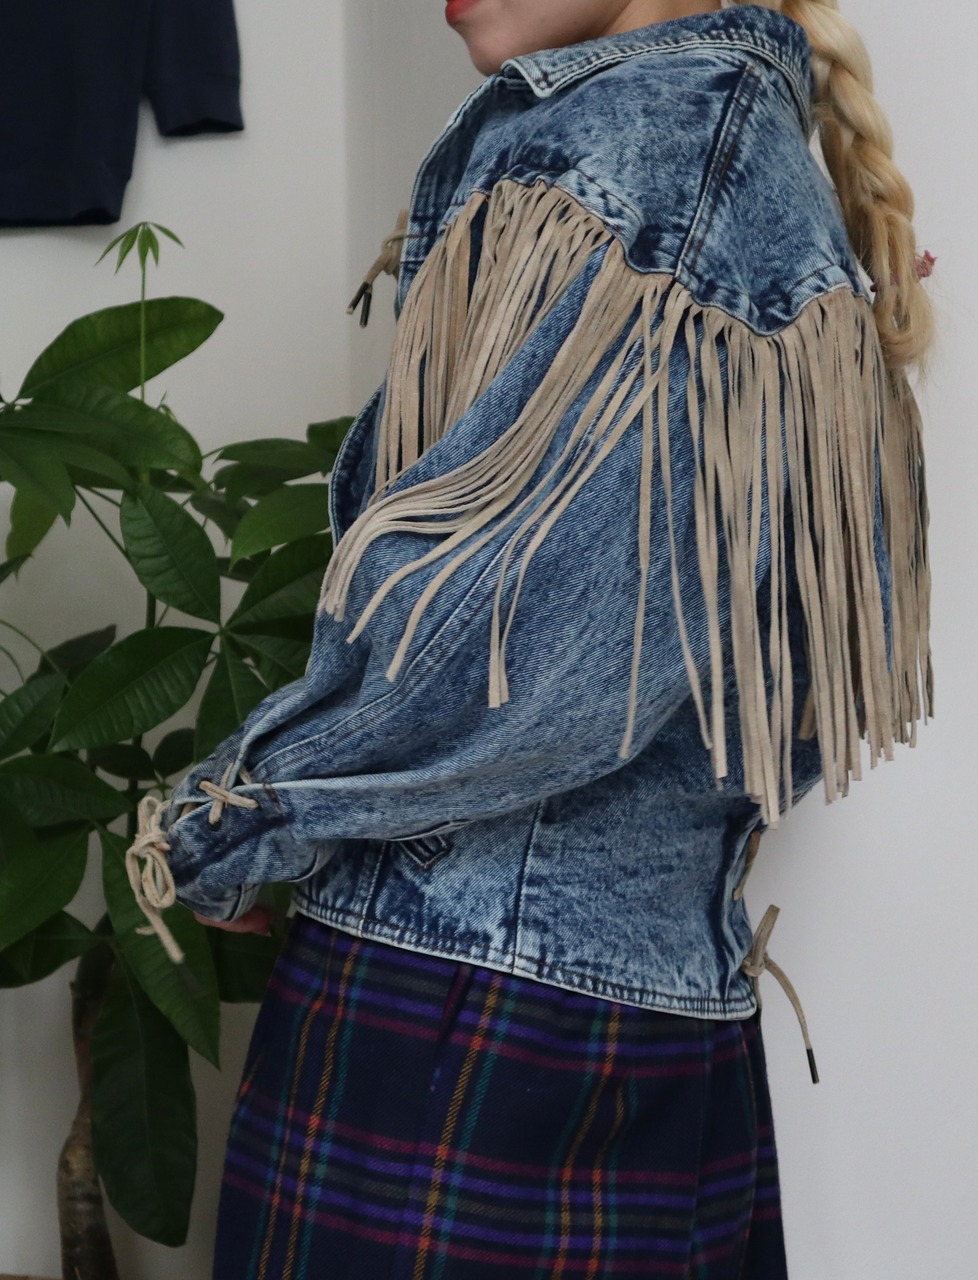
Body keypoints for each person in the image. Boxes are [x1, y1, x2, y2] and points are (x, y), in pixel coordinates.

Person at [122, 0, 936, 1274]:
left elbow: (517, 631)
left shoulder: (669, 153)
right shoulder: (726, 152)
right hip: (607, 1002)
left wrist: (247, 811)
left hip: (475, 1013)